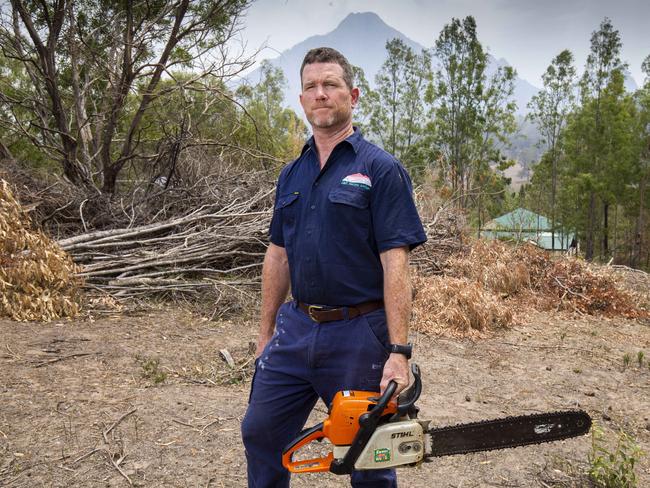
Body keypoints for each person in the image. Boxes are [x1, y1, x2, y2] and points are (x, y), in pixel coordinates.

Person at [241, 47, 427, 488]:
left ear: (353, 95)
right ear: (302, 99)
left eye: (331, 85)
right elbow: (278, 254)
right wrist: (266, 333)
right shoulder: (292, 174)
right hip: (296, 328)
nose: (320, 94)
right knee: (260, 432)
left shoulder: (380, 170)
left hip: (360, 334)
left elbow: (395, 263)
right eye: (311, 87)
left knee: (369, 459)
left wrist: (398, 352)